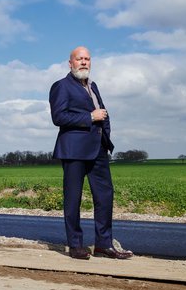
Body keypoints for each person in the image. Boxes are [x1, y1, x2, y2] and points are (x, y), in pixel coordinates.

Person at [49, 46, 133, 260]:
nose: (84, 62)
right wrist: (90, 117)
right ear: (71, 63)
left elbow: (104, 114)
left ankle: (104, 245)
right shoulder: (61, 86)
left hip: (98, 150)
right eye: (79, 59)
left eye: (87, 59)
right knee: (73, 199)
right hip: (74, 151)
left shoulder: (93, 86)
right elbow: (59, 117)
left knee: (105, 196)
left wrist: (105, 137)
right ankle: (75, 245)